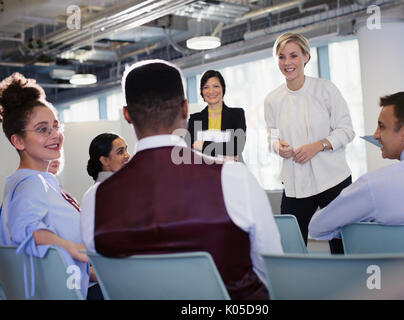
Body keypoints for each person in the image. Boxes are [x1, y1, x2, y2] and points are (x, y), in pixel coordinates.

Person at [81, 60, 283, 300]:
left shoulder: (95, 200)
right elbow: (273, 276)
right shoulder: (233, 178)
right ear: (185, 108)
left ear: (126, 114)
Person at [309, 91, 404, 240]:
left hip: (393, 264)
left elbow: (317, 228)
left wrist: (364, 228)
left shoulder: (373, 185)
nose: (376, 135)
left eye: (381, 127)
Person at [0, 72, 91, 299]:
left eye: (56, 126)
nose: (55, 135)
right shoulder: (32, 182)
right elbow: (25, 229)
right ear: (18, 141)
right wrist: (72, 248)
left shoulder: (29, 181)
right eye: (42, 129)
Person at [264, 32, 355, 254]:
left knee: (342, 243)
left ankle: (351, 284)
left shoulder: (326, 90)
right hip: (296, 181)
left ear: (306, 56)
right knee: (291, 243)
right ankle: (296, 285)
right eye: (282, 57)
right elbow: (271, 137)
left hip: (333, 178)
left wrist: (318, 146)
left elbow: (347, 131)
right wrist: (278, 147)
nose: (287, 63)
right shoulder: (272, 99)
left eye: (293, 55)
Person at [80, 132, 130, 249]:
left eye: (126, 150)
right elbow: (91, 241)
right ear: (104, 160)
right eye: (120, 152)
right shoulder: (96, 193)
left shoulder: (122, 188)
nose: (127, 155)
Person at [187, 70, 246, 162]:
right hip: (204, 173)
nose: (211, 91)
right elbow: (190, 152)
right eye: (206, 87)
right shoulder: (194, 119)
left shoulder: (237, 114)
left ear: (223, 88)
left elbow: (237, 147)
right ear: (202, 92)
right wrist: (226, 156)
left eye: (216, 86)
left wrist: (202, 145)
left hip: (230, 172)